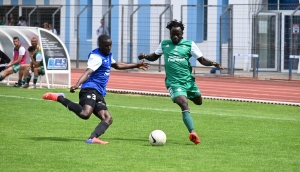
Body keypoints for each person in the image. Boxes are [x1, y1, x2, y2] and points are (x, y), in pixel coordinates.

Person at [42, 35, 149, 144]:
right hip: (90, 88)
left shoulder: (107, 55)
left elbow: (117, 65)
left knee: (108, 118)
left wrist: (136, 65)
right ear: (100, 45)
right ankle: (60, 98)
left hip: (99, 92)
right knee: (85, 114)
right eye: (106, 46)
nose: (109, 47)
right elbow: (88, 72)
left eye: (110, 45)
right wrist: (77, 84)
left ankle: (92, 138)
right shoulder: (96, 57)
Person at [138, 19, 224, 145]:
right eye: (173, 34)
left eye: (178, 34)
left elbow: (202, 60)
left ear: (182, 33)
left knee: (199, 101)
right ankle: (192, 132)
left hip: (188, 81)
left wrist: (212, 63)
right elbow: (154, 56)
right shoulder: (164, 44)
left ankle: (188, 94)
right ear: (170, 33)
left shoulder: (190, 45)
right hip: (174, 83)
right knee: (184, 103)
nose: (175, 36)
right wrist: (145, 56)